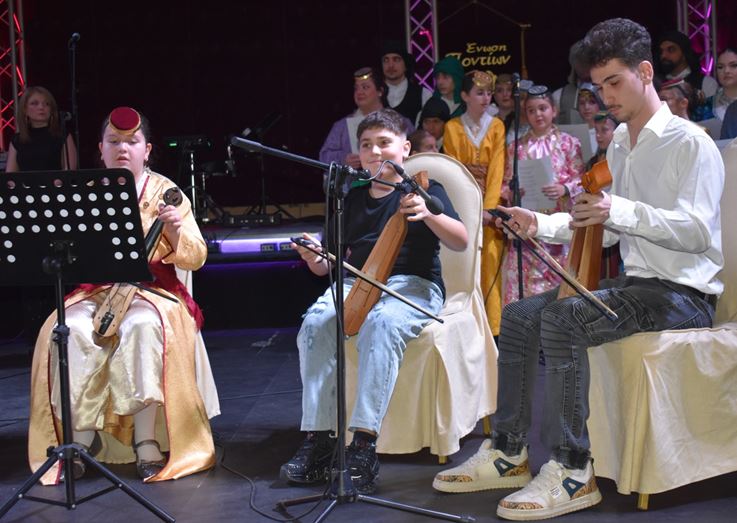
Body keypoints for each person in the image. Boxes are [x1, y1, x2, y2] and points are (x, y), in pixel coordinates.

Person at [433, 18, 723, 521]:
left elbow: (697, 231)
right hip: (636, 287)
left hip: (684, 297)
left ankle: (572, 468)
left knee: (564, 318)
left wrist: (620, 210)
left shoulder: (689, 142)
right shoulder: (622, 143)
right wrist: (539, 222)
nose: (605, 96)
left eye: (614, 82)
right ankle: (509, 452)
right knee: (520, 315)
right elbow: (603, 229)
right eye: (598, 85)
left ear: (645, 72)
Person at [28, 107, 219, 484]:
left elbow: (196, 257)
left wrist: (176, 232)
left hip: (154, 292)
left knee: (141, 327)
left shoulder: (166, 192)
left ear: (147, 150)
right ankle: (80, 441)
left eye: (132, 142)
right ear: (100, 149)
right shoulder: (86, 192)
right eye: (113, 141)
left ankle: (146, 441)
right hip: (98, 291)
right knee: (69, 330)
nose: (122, 148)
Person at [281, 108, 467, 494]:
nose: (375, 151)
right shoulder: (351, 198)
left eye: (384, 142)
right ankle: (320, 440)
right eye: (366, 145)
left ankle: (364, 444)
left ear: (405, 148)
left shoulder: (425, 189)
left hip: (413, 284)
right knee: (314, 324)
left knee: (382, 324)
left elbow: (460, 240)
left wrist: (429, 213)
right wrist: (314, 257)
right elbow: (327, 266)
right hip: (358, 282)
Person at [499, 85, 585, 305]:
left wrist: (565, 189)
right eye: (531, 110)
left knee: (559, 285)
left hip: (559, 224)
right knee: (524, 287)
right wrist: (513, 191)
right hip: (526, 225)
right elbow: (505, 184)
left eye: (542, 108)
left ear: (553, 110)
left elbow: (582, 182)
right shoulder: (516, 148)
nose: (538, 114)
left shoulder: (569, 143)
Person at [442, 70, 506, 336]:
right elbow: (453, 168)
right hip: (463, 204)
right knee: (464, 263)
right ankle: (465, 326)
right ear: (465, 95)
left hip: (488, 207)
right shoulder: (452, 127)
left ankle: (494, 329)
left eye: (489, 93)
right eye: (479, 93)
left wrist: (489, 208)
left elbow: (497, 169)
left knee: (490, 260)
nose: (486, 98)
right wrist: (466, 206)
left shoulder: (497, 126)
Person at [320, 67, 413, 172]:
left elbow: (415, 153)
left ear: (380, 91)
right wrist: (343, 159)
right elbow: (324, 157)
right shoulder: (342, 126)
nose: (359, 92)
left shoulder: (400, 122)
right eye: (356, 88)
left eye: (365, 87)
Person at [5, 86, 77, 172]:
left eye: (47, 104)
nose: (41, 107)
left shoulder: (63, 135)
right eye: (34, 103)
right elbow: (10, 175)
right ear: (25, 109)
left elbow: (69, 172)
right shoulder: (17, 140)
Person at [381, 41, 432, 123]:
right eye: (386, 60)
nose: (390, 65)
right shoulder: (373, 94)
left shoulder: (423, 94)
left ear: (406, 65)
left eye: (396, 59)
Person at [657, 29, 718, 98]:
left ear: (684, 54)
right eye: (661, 52)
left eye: (671, 50)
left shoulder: (706, 83)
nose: (663, 55)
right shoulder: (656, 83)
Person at [576, 82, 603, 155]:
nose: (586, 107)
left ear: (600, 104)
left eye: (592, 102)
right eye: (582, 103)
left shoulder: (608, 131)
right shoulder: (573, 135)